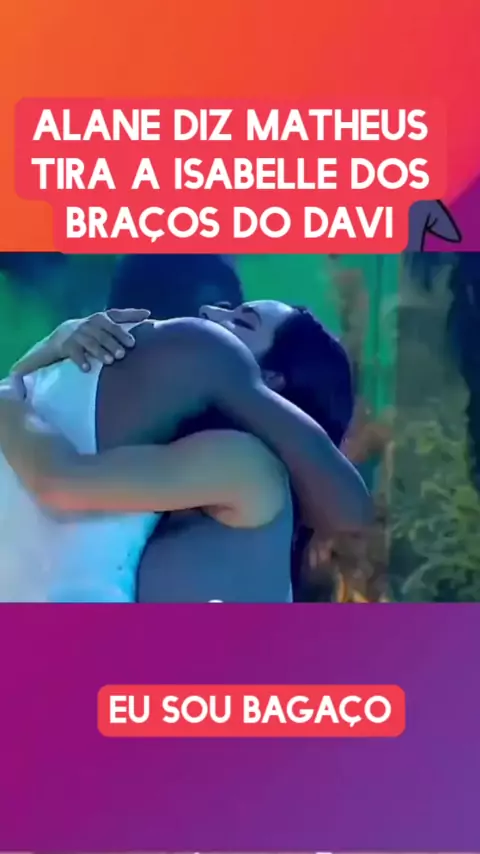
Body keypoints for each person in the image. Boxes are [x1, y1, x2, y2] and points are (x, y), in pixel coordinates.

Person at [0, 299, 369, 602]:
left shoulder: (248, 467)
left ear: (273, 381)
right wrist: (54, 347)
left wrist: (7, 395)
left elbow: (57, 480)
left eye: (241, 322)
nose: (209, 312)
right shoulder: (195, 465)